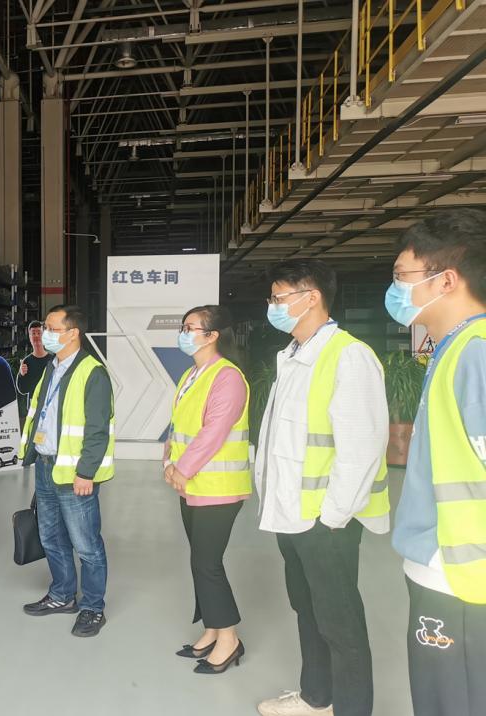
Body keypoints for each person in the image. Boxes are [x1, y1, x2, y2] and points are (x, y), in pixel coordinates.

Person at [253, 259, 390, 716]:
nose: (273, 306)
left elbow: (362, 447)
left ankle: (352, 709)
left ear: (311, 297)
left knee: (340, 623)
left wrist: (333, 516)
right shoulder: (293, 356)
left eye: (279, 297)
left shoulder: (348, 356)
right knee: (307, 610)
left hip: (325, 522)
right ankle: (317, 698)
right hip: (291, 514)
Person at [386, 209, 486, 716]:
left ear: (446, 280)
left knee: (454, 701)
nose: (395, 290)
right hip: (443, 565)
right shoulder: (452, 349)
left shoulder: (477, 354)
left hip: (462, 575)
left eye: (402, 276)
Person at [18, 304, 115, 637]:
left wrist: (86, 472)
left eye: (52, 328)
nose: (45, 334)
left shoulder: (92, 372)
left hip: (74, 473)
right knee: (51, 537)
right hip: (46, 466)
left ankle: (93, 608)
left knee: (86, 544)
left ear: (73, 333)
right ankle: (62, 595)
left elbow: (98, 430)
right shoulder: (52, 367)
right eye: (45, 328)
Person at [164, 305, 251, 675]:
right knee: (199, 559)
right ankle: (212, 629)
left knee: (207, 563)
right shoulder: (192, 374)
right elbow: (178, 425)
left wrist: (182, 468)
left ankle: (229, 638)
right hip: (192, 485)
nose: (184, 334)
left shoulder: (227, 377)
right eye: (183, 327)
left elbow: (214, 431)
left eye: (191, 328)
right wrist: (169, 463)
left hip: (218, 487)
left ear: (213, 335)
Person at [17, 321, 51, 410]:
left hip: (50, 405)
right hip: (33, 407)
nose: (36, 336)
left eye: (39, 333)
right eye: (33, 333)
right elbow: (23, 390)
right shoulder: (27, 361)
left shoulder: (53, 360)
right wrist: (21, 374)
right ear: (30, 337)